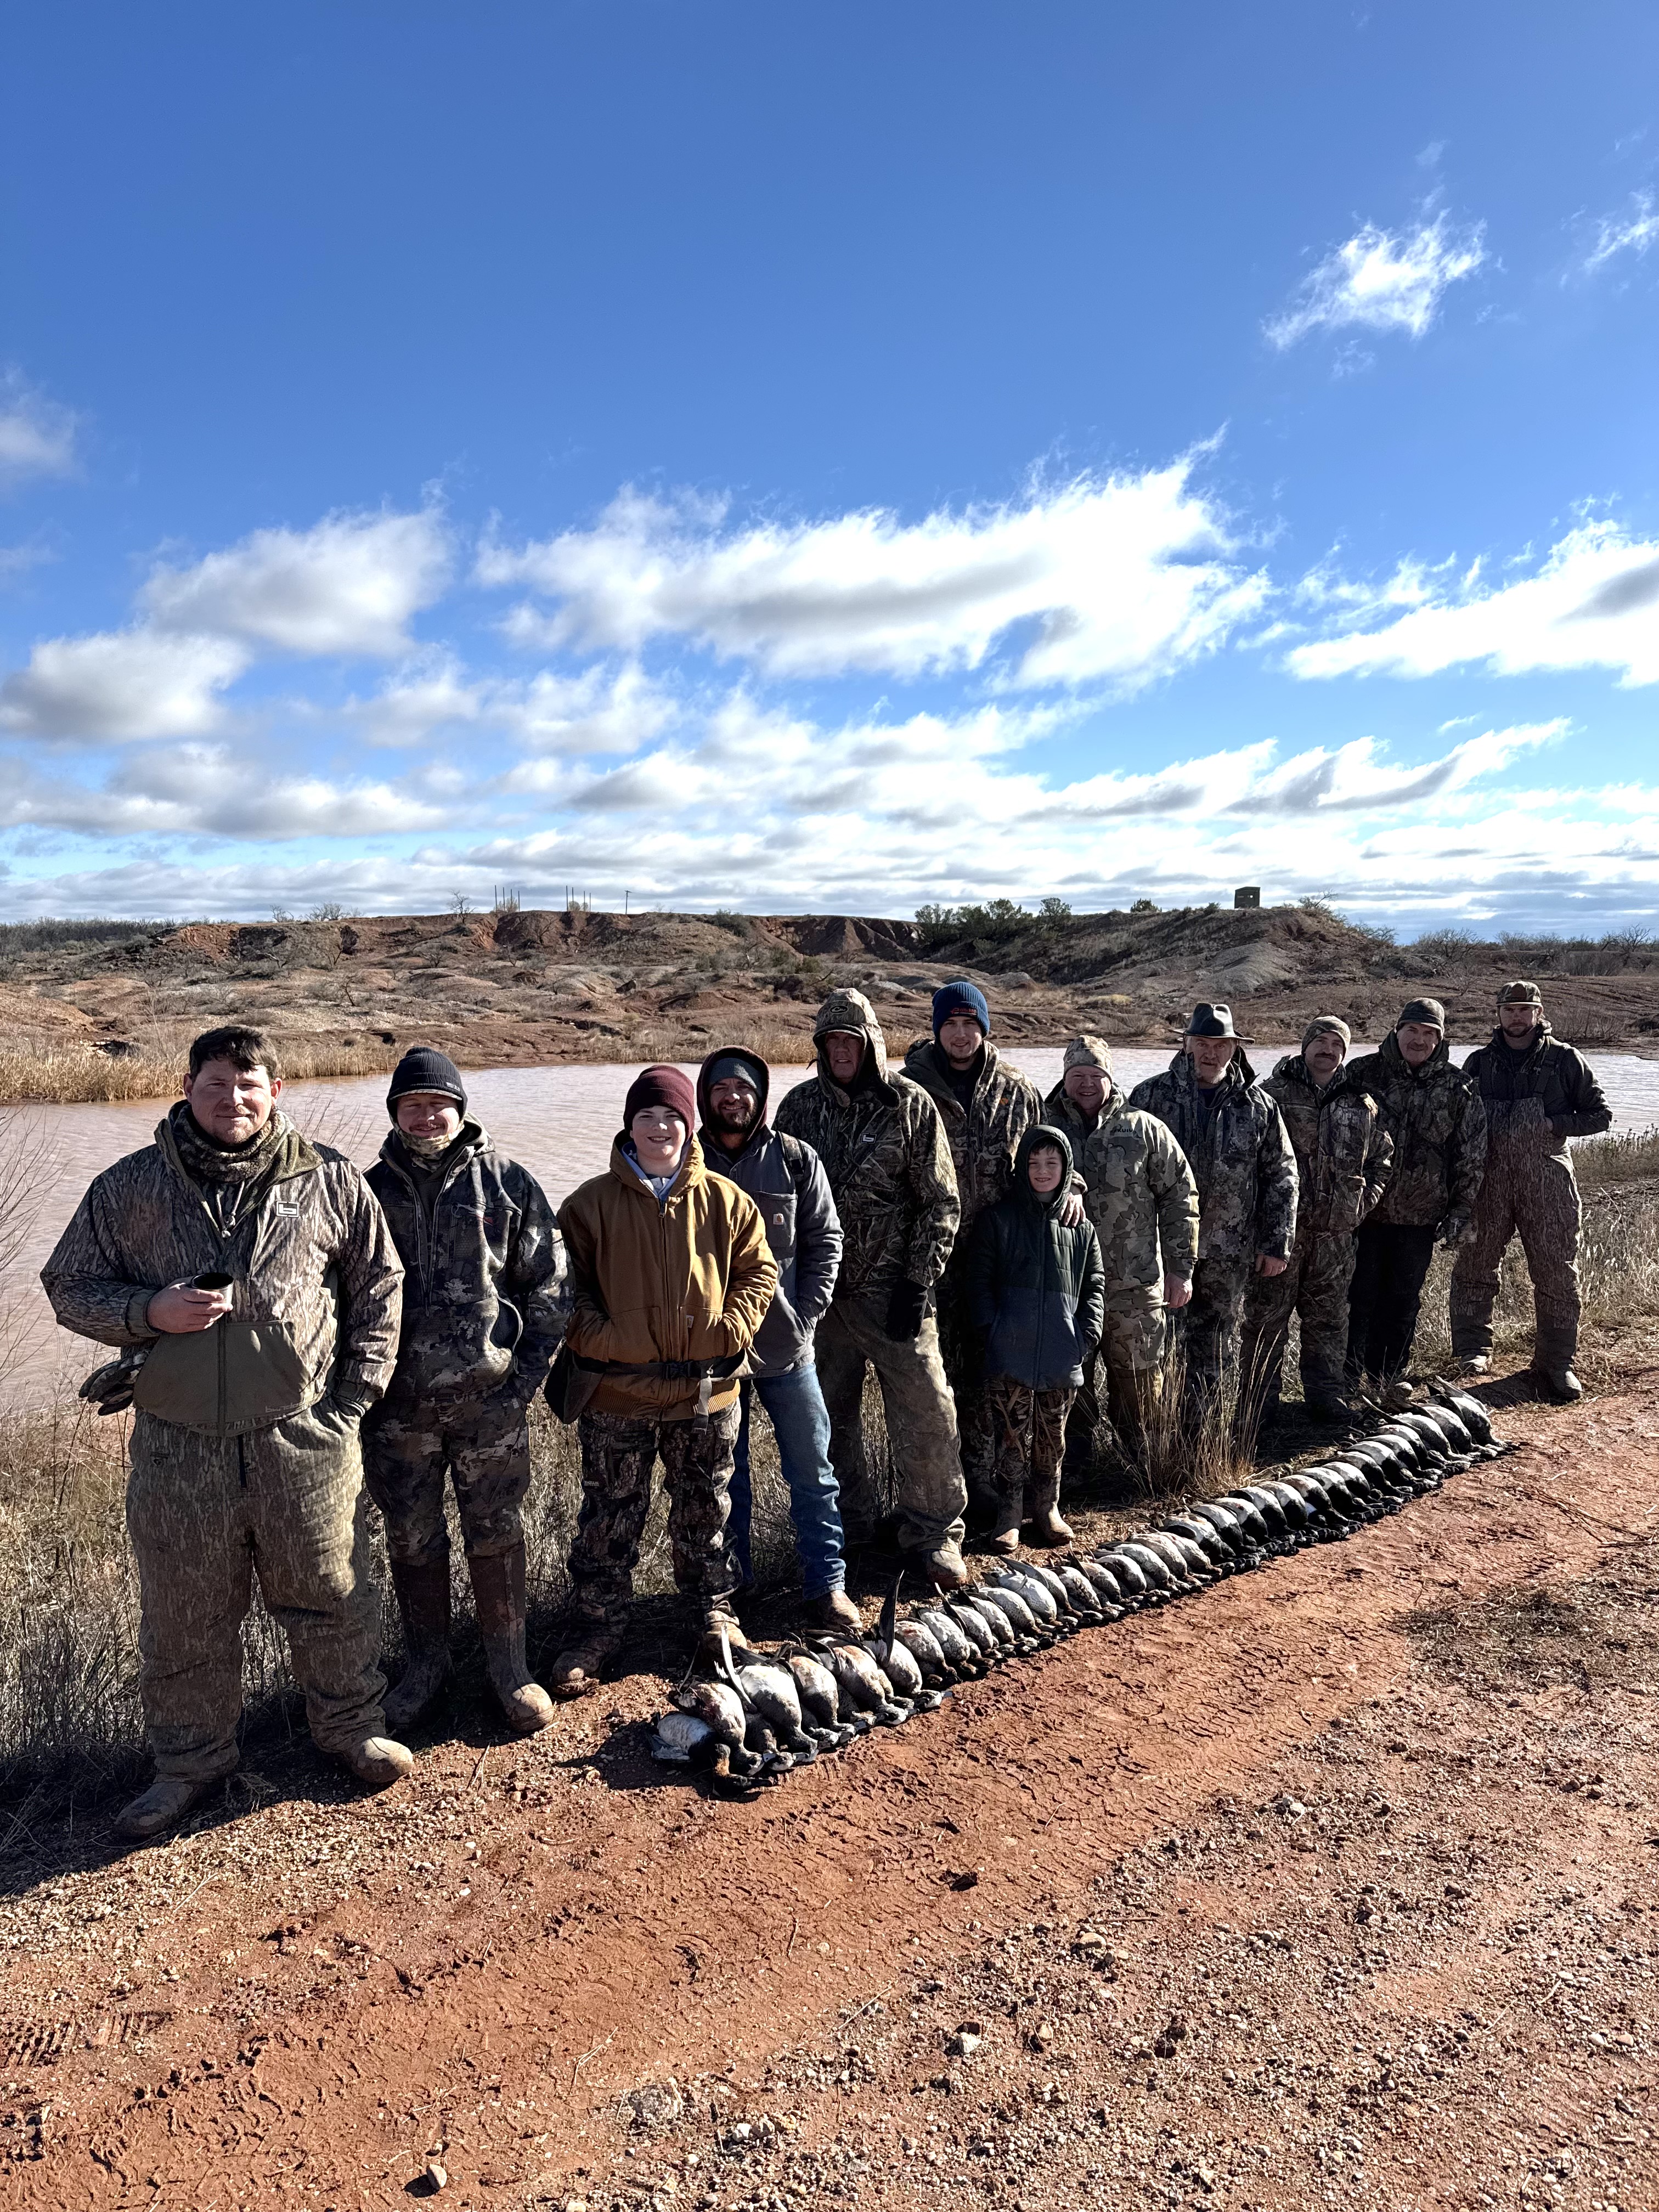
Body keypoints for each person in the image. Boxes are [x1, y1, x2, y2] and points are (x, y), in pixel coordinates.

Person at [41, 1025, 408, 1842]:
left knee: (333, 1594)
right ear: (187, 1087)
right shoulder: (130, 1185)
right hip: (176, 1444)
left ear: (276, 1091)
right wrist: (147, 1312)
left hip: (304, 1437)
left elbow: (380, 1283)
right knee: (185, 1614)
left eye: (249, 1084)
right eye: (216, 1083)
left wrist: (353, 1400)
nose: (232, 1098)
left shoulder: (330, 1179)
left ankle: (350, 1730)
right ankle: (191, 1765)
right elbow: (67, 1284)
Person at [549, 1065, 777, 1690]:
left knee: (708, 1510)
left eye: (672, 1116)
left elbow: (760, 1274)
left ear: (690, 1124)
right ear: (629, 1126)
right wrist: (607, 1342)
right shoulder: (588, 1205)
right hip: (618, 1395)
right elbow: (563, 1292)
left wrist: (731, 1331)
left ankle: (713, 1619)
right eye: (646, 1117)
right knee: (608, 1515)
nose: (659, 1128)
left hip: (707, 1393)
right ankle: (596, 1627)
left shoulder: (730, 1203)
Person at [364, 1048, 569, 1737]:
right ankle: (426, 1669)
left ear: (461, 1110)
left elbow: (551, 1291)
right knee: (411, 1538)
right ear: (394, 1112)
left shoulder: (507, 1183)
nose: (427, 1117)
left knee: (496, 1531)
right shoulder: (363, 1192)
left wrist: (522, 1388)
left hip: (491, 1408)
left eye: (438, 1104)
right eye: (412, 1104)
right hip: (395, 1413)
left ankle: (508, 1668)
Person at [772, 989, 969, 1589]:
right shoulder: (799, 1108)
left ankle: (934, 1535)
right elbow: (775, 1201)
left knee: (929, 1413)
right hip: (821, 1302)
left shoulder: (911, 1105)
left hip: (897, 1298)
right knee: (828, 1424)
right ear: (819, 1047)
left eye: (850, 1041)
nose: (840, 1050)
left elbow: (942, 1202)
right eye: (830, 1041)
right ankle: (851, 1529)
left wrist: (918, 1280)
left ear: (871, 1044)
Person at [696, 1047, 859, 1634]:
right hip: (714, 1360)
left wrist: (808, 1314)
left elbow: (826, 1241)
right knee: (723, 1480)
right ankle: (730, 1598)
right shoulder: (685, 1164)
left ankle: (828, 1586)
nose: (732, 1098)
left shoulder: (795, 1159)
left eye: (743, 1089)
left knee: (813, 1471)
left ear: (760, 1099)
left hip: (789, 1353)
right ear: (704, 1097)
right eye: (721, 1089)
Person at [901, 981, 1050, 1502]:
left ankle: (1002, 1488)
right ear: (936, 1029)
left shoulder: (1018, 1089)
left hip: (1002, 1261)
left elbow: (1048, 1160)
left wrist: (1071, 1191)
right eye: (951, 1025)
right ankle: (945, 1493)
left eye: (971, 1024)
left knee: (998, 1372)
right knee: (937, 1380)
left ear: (985, 1029)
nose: (961, 1035)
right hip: (932, 1260)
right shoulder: (908, 1090)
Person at [1127, 1003, 1297, 1422]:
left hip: (1229, 1252)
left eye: (1220, 1044)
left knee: (1215, 1346)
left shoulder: (1258, 1105)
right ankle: (1156, 1440)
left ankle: (1201, 1436)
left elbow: (1282, 1174)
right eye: (1202, 1042)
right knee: (1160, 1345)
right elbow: (1126, 1174)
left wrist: (1277, 1242)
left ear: (1234, 1048)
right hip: (1164, 1251)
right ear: (1186, 1044)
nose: (1210, 1052)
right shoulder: (1150, 1097)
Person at [1451, 981, 1611, 1402]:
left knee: (1557, 1271)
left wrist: (1555, 1125)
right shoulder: (1478, 1063)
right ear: (1498, 1015)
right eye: (1511, 1010)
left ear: (1538, 1014)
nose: (1518, 1017)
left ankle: (1556, 1364)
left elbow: (1600, 1115)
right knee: (1474, 1265)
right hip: (1488, 1181)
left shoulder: (1565, 1060)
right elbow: (1458, 1124)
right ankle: (1472, 1352)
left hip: (1548, 1180)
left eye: (1526, 1009)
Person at [1042, 1036, 1198, 1468]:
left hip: (1135, 1285)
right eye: (1078, 1077)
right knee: (1070, 1382)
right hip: (1064, 1288)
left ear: (1110, 1079)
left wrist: (1181, 1269)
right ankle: (1072, 1471)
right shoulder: (1044, 1126)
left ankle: (1142, 1469)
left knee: (1141, 1383)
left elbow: (1180, 1197)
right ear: (1065, 1078)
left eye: (1096, 1076)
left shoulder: (1144, 1128)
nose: (1087, 1085)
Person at [1241, 1017, 1393, 1425]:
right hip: (1280, 1237)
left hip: (1336, 1237)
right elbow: (1247, 1164)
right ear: (1305, 1045)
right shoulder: (1269, 1096)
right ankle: (1259, 1405)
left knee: (1329, 1321)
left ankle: (1326, 1398)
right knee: (1265, 1321)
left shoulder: (1360, 1102)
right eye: (1320, 1041)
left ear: (1344, 1052)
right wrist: (1263, 1222)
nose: (1327, 1049)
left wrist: (1360, 1206)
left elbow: (1382, 1160)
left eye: (1336, 1044)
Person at [965, 1125, 1105, 1552]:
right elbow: (978, 1283)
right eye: (1033, 1163)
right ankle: (1009, 1514)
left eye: (1052, 1163)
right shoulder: (999, 1220)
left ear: (1066, 1169)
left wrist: (1085, 1336)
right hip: (1010, 1358)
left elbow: (1096, 1284)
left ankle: (1047, 1508)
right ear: (1021, 1168)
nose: (1043, 1172)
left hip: (1063, 1358)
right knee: (1009, 1439)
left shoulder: (1080, 1226)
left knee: (1053, 1439)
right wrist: (995, 1331)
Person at [1344, 998, 1487, 1410]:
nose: (1420, 1040)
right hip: (1364, 1213)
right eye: (1413, 1030)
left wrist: (1461, 1211)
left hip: (1421, 1217)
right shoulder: (1361, 1073)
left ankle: (1389, 1378)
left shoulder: (1458, 1086)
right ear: (1397, 1030)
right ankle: (1349, 1378)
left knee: (1404, 1298)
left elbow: (1471, 1155)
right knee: (1358, 1295)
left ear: (1440, 1038)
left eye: (1430, 1033)